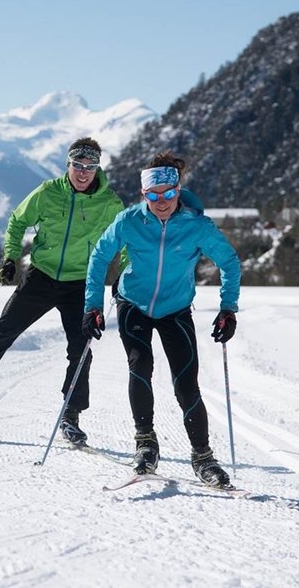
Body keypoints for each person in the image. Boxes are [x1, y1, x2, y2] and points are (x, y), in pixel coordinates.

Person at [0, 137, 125, 446]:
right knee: (3, 333)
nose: (82, 172)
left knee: (80, 351)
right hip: (41, 276)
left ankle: (70, 415)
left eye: (89, 167)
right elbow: (17, 221)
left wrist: (124, 273)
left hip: (81, 283)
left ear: (97, 169)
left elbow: (127, 239)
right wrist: (11, 257)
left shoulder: (109, 203)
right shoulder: (48, 193)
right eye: (77, 165)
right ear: (68, 165)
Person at [82, 151, 240, 486]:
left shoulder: (197, 226)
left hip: (176, 309)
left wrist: (228, 308)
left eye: (168, 193)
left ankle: (203, 458)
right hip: (133, 304)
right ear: (144, 195)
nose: (162, 201)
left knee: (186, 382)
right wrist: (92, 305)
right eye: (153, 196)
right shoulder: (129, 221)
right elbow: (99, 257)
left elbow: (230, 262)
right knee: (140, 365)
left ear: (178, 191)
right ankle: (145, 443)